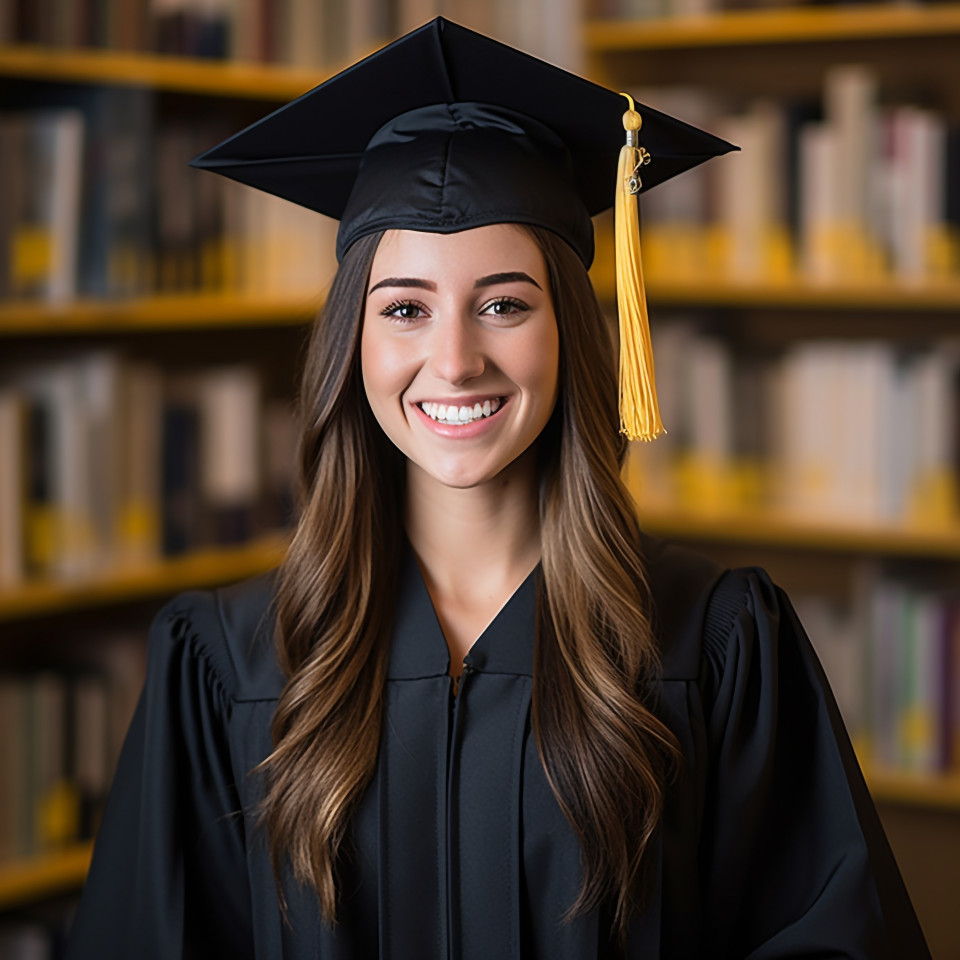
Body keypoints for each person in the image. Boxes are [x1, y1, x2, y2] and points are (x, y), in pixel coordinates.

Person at [66, 17, 930, 960]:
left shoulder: (716, 646)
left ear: (571, 331)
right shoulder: (228, 666)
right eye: (404, 308)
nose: (455, 359)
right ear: (350, 343)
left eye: (504, 304)